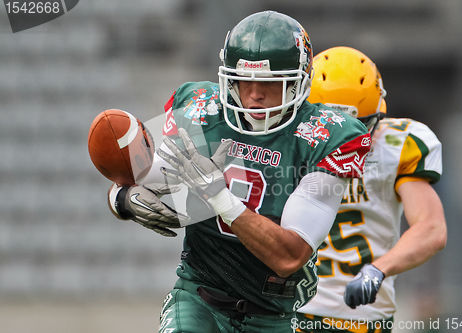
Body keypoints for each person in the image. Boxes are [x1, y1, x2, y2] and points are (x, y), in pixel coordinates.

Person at [106, 12, 371, 333]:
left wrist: (219, 196)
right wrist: (123, 198)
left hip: (279, 313)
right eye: (244, 81)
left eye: (269, 83)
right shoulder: (201, 109)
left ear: (299, 82)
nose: (255, 94)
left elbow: (289, 255)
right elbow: (140, 178)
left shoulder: (325, 136)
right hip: (201, 298)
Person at [295, 46, 447, 332]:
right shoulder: (289, 143)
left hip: (364, 319)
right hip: (291, 314)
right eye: (335, 127)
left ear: (378, 115)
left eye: (358, 126)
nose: (346, 139)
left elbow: (431, 228)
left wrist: (379, 268)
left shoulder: (396, 146)